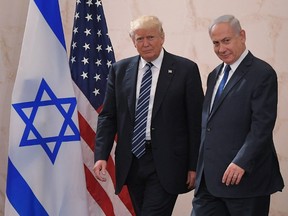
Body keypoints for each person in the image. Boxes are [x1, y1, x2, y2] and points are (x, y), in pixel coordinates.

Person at [93, 15, 204, 216]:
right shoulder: (120, 70)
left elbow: (196, 122)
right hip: (132, 161)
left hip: (168, 162)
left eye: (151, 37)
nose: (146, 44)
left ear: (162, 37)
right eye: (140, 39)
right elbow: (108, 116)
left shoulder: (186, 70)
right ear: (133, 42)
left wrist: (194, 165)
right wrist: (101, 154)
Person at [192, 14, 284, 216]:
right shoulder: (214, 74)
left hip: (245, 182)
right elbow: (208, 124)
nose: (221, 48)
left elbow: (262, 126)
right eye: (215, 43)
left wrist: (241, 161)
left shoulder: (262, 73)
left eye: (226, 40)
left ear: (242, 36)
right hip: (209, 183)